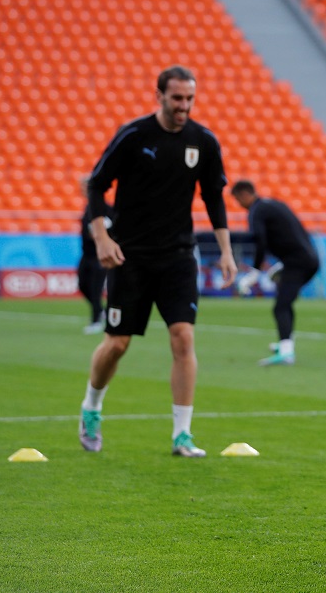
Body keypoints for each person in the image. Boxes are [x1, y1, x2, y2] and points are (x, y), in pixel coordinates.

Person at [79, 65, 237, 457]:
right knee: (117, 344)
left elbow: (214, 198)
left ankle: (182, 434)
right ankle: (91, 407)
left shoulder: (203, 141)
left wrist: (226, 252)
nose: (183, 106)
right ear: (160, 96)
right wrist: (102, 237)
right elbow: (97, 184)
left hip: (179, 256)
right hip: (129, 257)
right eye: (177, 98)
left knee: (183, 337)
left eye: (189, 99)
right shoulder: (134, 135)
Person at [230, 180, 320, 366]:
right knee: (285, 302)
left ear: (245, 194)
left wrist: (254, 271)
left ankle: (287, 353)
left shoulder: (257, 211)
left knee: (281, 306)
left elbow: (260, 240)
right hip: (307, 260)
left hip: (297, 263)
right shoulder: (274, 204)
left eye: (238, 200)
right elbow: (294, 233)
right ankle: (285, 344)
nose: (239, 204)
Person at [78, 177, 112, 335]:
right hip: (86, 254)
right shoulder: (88, 208)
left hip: (100, 255)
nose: (83, 189)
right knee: (83, 285)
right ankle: (101, 311)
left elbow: (112, 226)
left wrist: (100, 234)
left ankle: (96, 321)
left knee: (95, 288)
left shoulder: (104, 208)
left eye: (85, 186)